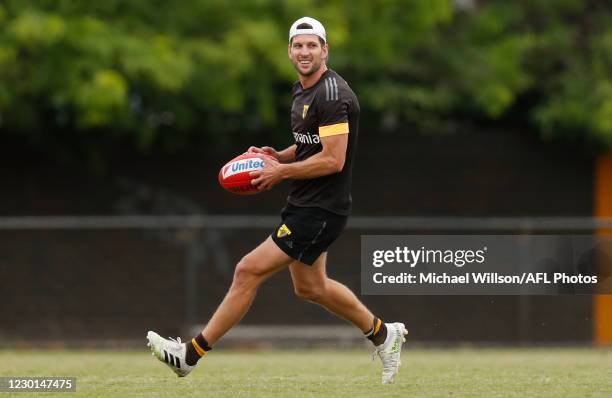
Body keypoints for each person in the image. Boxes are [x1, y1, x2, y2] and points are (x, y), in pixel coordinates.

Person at [147, 16, 407, 385]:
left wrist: (279, 173)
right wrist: (279, 156)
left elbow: (333, 159)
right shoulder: (303, 91)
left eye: (312, 45)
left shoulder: (332, 95)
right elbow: (310, 145)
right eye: (298, 46)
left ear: (325, 50)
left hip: (321, 209)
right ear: (289, 51)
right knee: (311, 288)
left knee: (246, 270)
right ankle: (384, 335)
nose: (304, 52)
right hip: (306, 203)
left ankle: (189, 354)